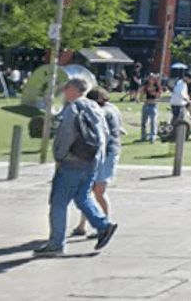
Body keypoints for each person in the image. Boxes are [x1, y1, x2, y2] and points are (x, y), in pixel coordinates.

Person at [34, 78, 118, 256]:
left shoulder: (72, 108)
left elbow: (66, 135)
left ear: (75, 90)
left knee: (58, 202)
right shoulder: (95, 107)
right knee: (82, 196)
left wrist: (59, 156)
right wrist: (98, 160)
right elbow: (105, 134)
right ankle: (103, 225)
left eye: (66, 88)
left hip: (73, 161)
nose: (63, 91)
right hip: (92, 160)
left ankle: (56, 243)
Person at [73, 88, 124, 238]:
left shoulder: (101, 112)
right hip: (107, 151)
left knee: (97, 190)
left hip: (106, 152)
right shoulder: (113, 108)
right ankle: (83, 225)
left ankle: (104, 223)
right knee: (88, 191)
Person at [140, 74, 162, 143]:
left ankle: (152, 137)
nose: (150, 80)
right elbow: (141, 97)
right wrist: (144, 100)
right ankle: (143, 136)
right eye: (149, 78)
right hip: (146, 106)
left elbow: (159, 97)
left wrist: (152, 101)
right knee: (144, 122)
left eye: (152, 78)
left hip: (153, 106)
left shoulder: (157, 88)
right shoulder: (145, 87)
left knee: (153, 122)